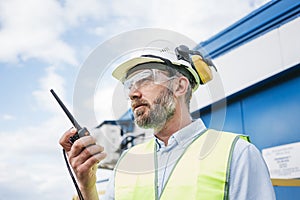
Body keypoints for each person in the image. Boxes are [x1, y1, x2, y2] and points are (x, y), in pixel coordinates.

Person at [59, 45, 276, 200]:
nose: (133, 94)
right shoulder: (127, 162)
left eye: (144, 79)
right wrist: (87, 186)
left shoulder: (237, 153)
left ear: (180, 87)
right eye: (129, 86)